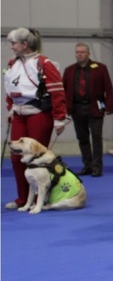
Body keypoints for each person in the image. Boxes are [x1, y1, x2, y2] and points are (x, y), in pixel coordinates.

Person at [3, 28, 68, 209]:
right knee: (17, 158)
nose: (12, 47)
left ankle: (42, 197)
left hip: (39, 114)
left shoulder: (44, 63)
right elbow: (9, 87)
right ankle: (23, 198)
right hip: (19, 114)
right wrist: (11, 107)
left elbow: (57, 92)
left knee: (37, 159)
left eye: (14, 43)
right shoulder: (12, 63)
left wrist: (59, 118)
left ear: (24, 45)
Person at [61, 43, 113, 177]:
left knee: (97, 138)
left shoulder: (100, 68)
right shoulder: (69, 70)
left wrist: (109, 107)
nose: (79, 54)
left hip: (95, 108)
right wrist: (64, 109)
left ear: (88, 53)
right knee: (82, 138)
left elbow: (108, 88)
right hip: (77, 108)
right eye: (77, 52)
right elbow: (64, 90)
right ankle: (88, 165)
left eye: (82, 52)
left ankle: (97, 167)